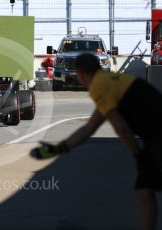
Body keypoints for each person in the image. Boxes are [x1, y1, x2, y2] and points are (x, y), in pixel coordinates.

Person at [30, 53, 162, 230]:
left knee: (145, 190)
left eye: (77, 75)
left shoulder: (99, 85)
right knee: (145, 190)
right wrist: (58, 149)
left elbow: (120, 127)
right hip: (155, 136)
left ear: (81, 74)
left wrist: (137, 154)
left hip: (157, 137)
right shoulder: (109, 81)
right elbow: (89, 128)